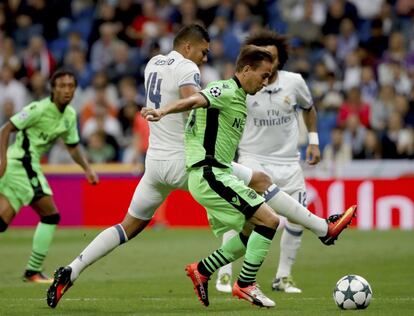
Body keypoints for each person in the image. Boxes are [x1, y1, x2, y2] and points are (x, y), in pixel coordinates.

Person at [142, 45, 356, 308]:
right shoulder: (226, 90)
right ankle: (245, 283)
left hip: (219, 173)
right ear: (245, 71)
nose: (266, 82)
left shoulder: (240, 97)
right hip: (210, 174)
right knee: (269, 220)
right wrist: (163, 111)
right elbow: (196, 99)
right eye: (263, 75)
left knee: (252, 230)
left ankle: (202, 269)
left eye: (269, 77)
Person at [216, 30, 320, 294]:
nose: (266, 61)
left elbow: (308, 108)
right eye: (260, 55)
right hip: (253, 159)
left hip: (288, 162)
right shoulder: (243, 83)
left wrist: (314, 141)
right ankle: (225, 273)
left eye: (271, 56)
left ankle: (283, 277)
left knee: (297, 220)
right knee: (244, 216)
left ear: (279, 59)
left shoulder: (294, 82)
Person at [0, 69, 98, 283]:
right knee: (50, 215)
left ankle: (32, 271)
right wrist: (3, 160)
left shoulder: (70, 115)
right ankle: (33, 271)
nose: (67, 90)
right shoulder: (38, 109)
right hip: (20, 163)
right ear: (52, 89)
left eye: (71, 86)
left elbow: (72, 147)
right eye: (62, 86)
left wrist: (87, 168)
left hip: (26, 166)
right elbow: (6, 128)